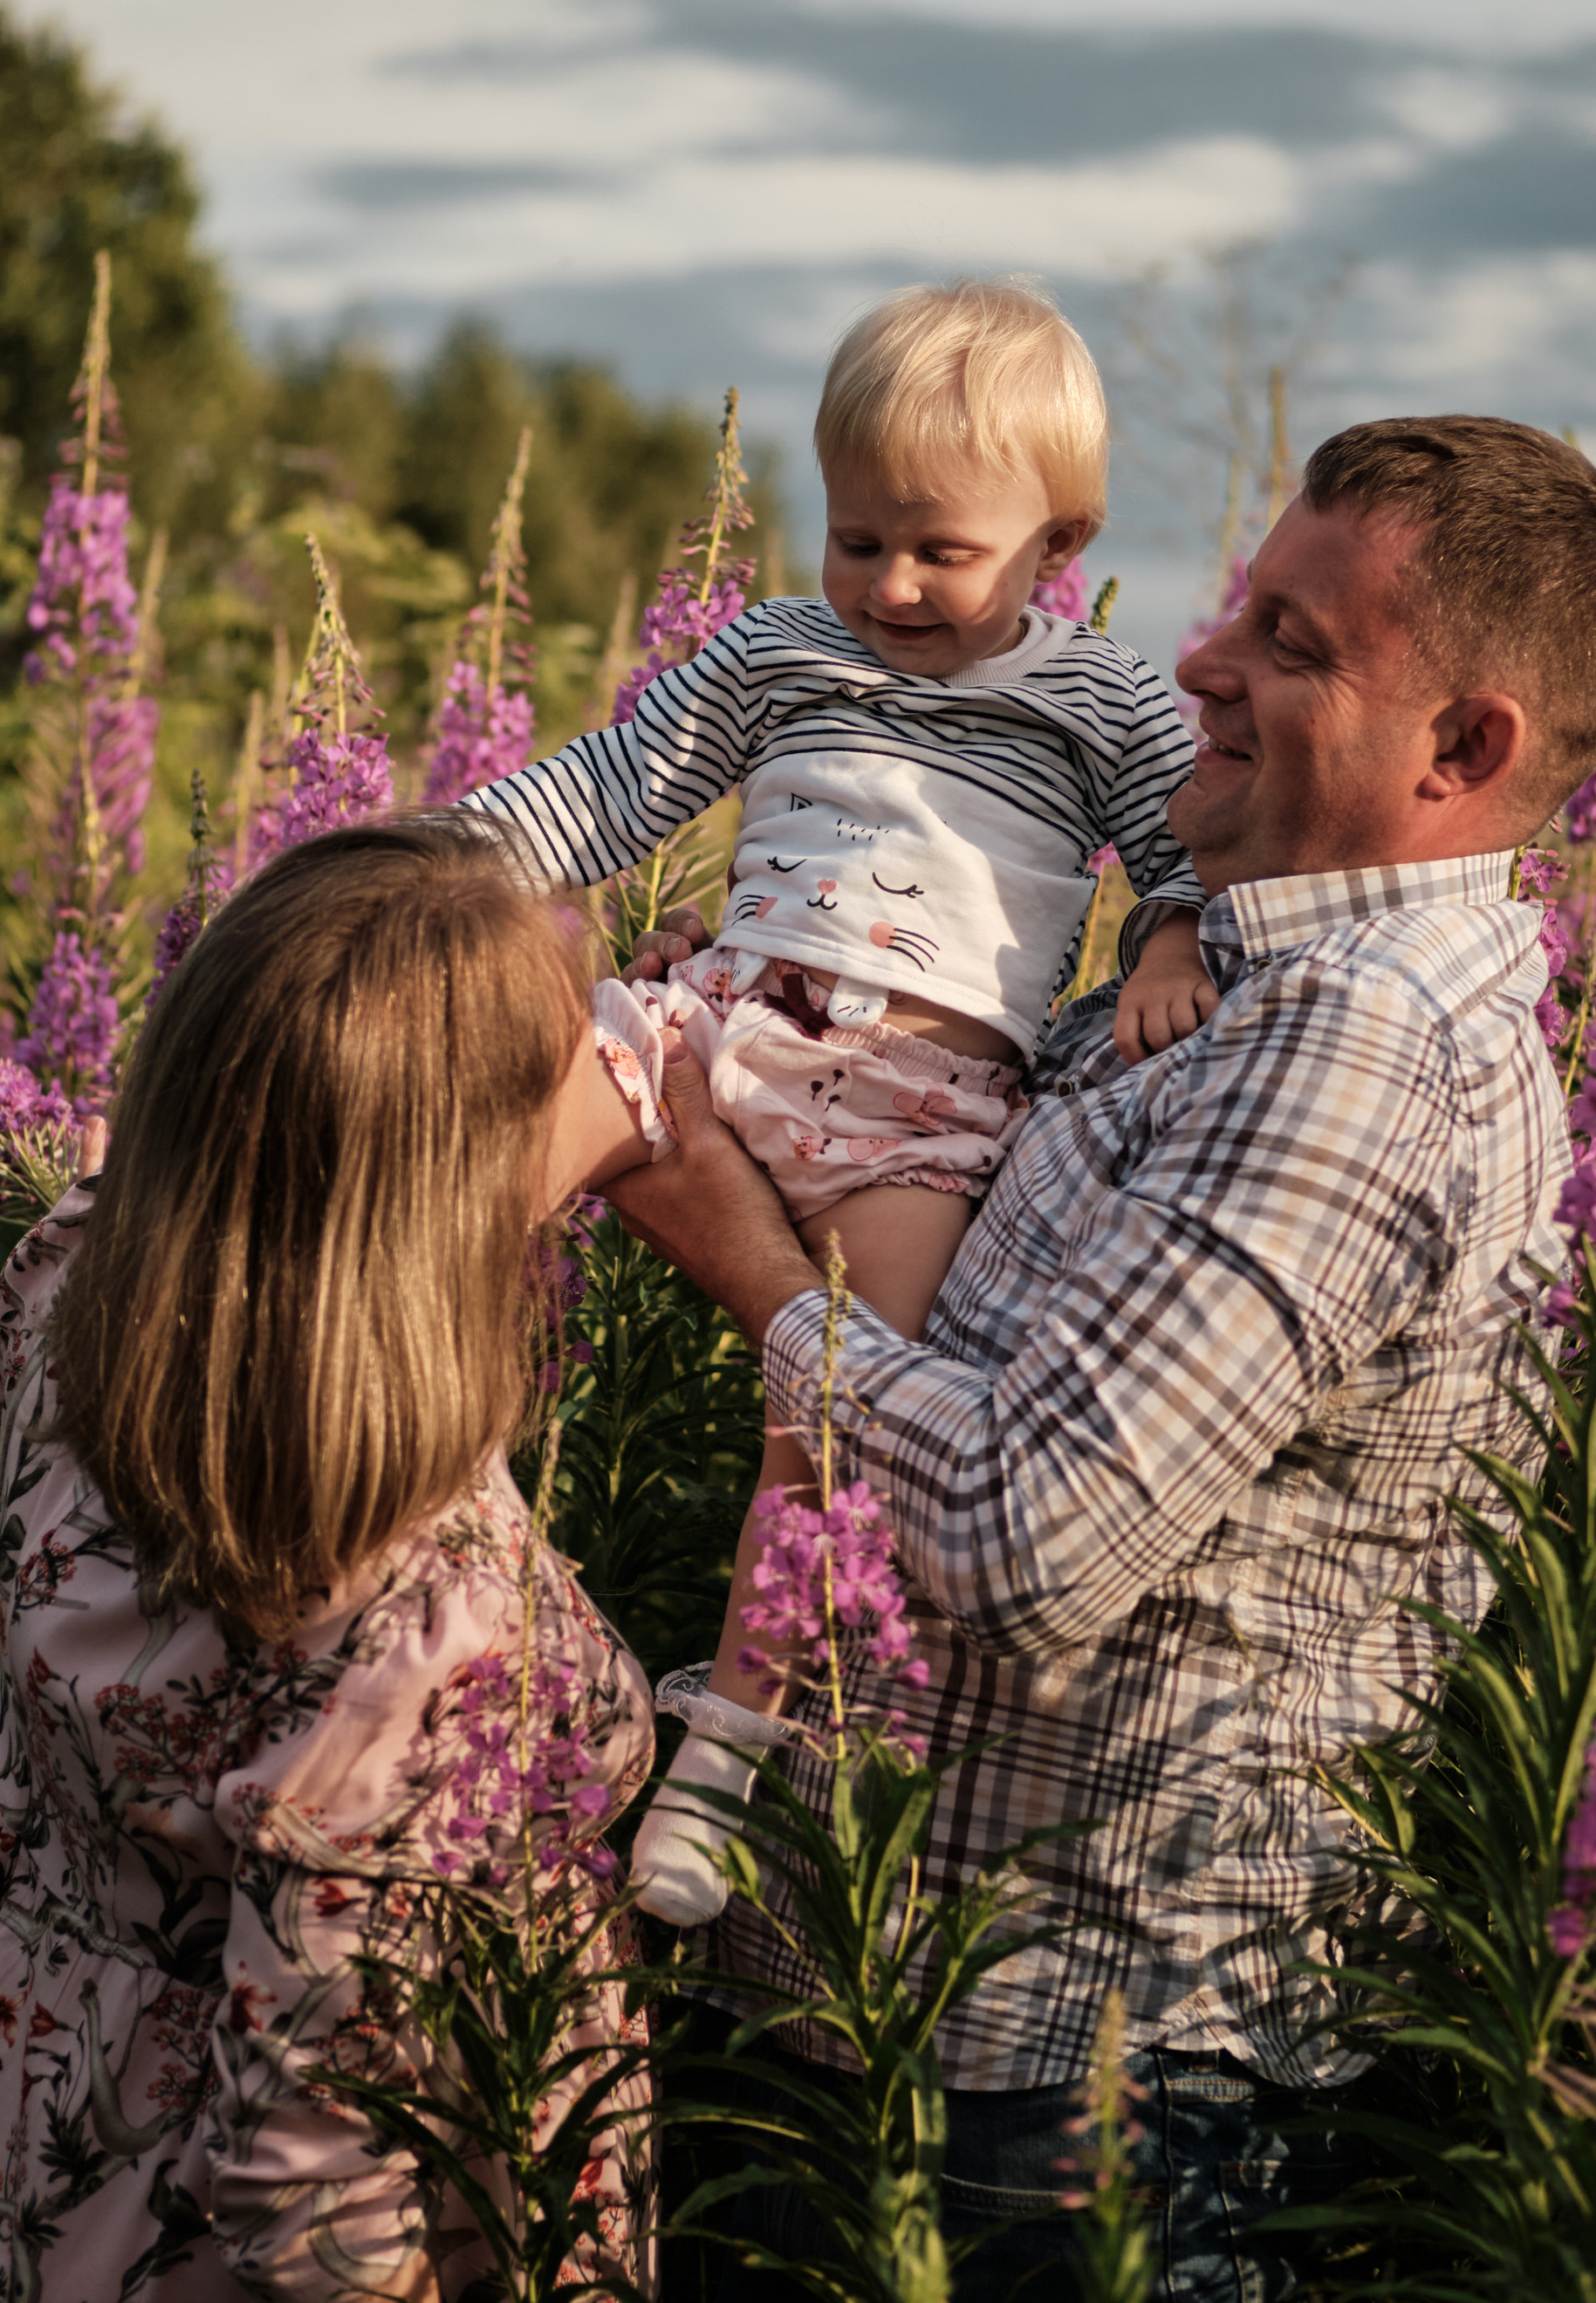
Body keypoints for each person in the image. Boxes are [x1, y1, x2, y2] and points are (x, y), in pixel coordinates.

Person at [607, 415, 1596, 2303]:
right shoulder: (1219, 983)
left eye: (1285, 641)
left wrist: (741, 1261)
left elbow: (1019, 1535)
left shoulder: (1349, 1047)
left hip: (1074, 2069)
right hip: (928, 2000)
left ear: (1459, 743)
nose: (1191, 661)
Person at [0, 828, 658, 2303]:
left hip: (3, 2170)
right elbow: (312, 2180)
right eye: (575, 1052)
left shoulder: (83, 1273)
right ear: (454, 1181)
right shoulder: (436, 1616)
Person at [440, 281, 1211, 1923]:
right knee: (479, 1169)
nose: (890, 585)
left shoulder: (1108, 698)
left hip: (921, 1107)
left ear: (1058, 539)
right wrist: (434, 860)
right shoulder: (782, 648)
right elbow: (611, 787)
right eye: (856, 539)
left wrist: (1163, 936)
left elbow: (1187, 859)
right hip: (726, 1023)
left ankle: (719, 1761)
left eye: (939, 548)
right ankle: (376, 1454)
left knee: (835, 1437)